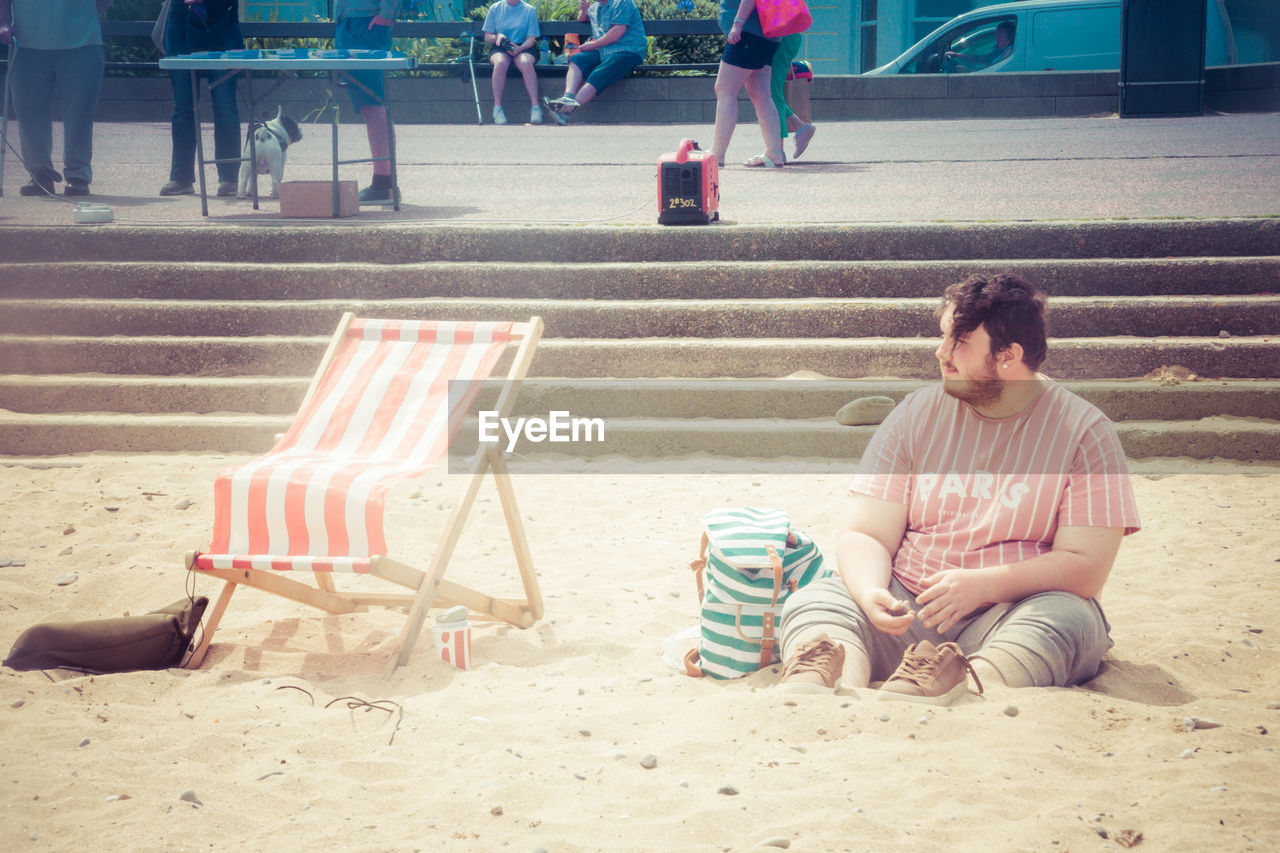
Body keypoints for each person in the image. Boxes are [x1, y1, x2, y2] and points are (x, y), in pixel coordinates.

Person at [778, 272, 1140, 704]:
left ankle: (963, 678)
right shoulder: (917, 412)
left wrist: (984, 585)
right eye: (944, 337)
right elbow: (867, 532)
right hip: (906, 605)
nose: (940, 352)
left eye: (959, 343)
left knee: (1071, 619)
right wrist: (871, 591)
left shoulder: (1085, 432)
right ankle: (833, 680)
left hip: (1011, 614)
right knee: (821, 596)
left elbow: (1086, 567)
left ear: (1008, 356)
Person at [0, 0, 109, 197]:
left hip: (83, 41)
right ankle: (40, 174)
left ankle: (78, 176)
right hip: (26, 43)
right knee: (29, 115)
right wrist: (3, 22)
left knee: (79, 115)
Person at [160, 0, 242, 198]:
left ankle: (229, 178)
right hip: (180, 19)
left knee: (224, 105)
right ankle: (181, 178)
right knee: (183, 106)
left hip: (222, 18)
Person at [335, 0, 401, 204]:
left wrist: (388, 12)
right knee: (369, 104)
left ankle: (384, 183)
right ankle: (384, 182)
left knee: (372, 103)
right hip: (352, 22)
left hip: (364, 22)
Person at [542, 0, 646, 126]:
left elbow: (618, 30)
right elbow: (582, 18)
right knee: (577, 59)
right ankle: (568, 97)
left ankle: (566, 112)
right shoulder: (596, 7)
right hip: (604, 51)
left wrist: (593, 45)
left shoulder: (623, 2)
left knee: (598, 73)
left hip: (628, 50)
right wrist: (584, 10)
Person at [710, 0, 784, 168]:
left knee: (725, 89)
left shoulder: (744, 26)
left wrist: (738, 23)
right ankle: (774, 153)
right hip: (767, 35)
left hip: (748, 32)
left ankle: (717, 153)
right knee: (761, 94)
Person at [483, 0, 542, 125]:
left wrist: (519, 49)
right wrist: (497, 36)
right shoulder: (495, 8)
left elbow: (531, 39)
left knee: (526, 63)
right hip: (500, 46)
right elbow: (488, 36)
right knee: (500, 63)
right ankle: (497, 108)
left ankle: (536, 107)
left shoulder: (529, 10)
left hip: (523, 47)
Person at [768, 34, 816, 161]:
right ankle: (800, 127)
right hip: (781, 37)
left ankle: (778, 151)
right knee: (766, 93)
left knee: (771, 94)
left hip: (776, 37)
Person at [946, 20, 1014, 73]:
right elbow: (980, 59)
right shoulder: (999, 51)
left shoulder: (1010, 52)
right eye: (997, 33)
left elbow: (993, 72)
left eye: (1001, 33)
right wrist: (957, 55)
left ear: (1010, 35)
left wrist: (968, 72)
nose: (997, 37)